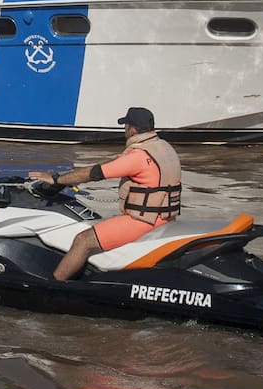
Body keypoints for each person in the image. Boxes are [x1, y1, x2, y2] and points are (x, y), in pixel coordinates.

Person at [29, 107, 181, 281]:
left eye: (126, 125)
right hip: (165, 218)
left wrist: (56, 180)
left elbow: (93, 173)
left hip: (143, 222)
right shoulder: (165, 147)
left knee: (83, 240)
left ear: (132, 129)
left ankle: (54, 286)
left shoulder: (137, 156)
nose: (125, 129)